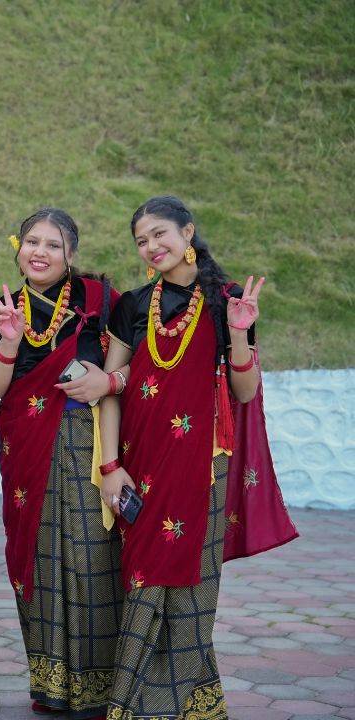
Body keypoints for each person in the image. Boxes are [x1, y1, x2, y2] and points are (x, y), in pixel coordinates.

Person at [99, 196, 297, 719]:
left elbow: (245, 392)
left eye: (159, 233)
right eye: (141, 240)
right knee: (142, 578)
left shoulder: (227, 301)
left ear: (187, 233)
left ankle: (166, 706)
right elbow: (110, 390)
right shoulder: (133, 304)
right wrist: (110, 466)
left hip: (202, 466)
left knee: (192, 587)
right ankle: (145, 702)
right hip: (141, 460)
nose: (151, 246)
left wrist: (239, 331)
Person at [0, 209, 123, 719]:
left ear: (71, 254)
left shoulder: (101, 302)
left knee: (92, 558)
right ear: (18, 248)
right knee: (39, 562)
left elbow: (136, 367)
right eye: (32, 242)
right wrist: (8, 341)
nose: (40, 252)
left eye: (53, 245)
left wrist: (107, 381)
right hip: (27, 450)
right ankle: (52, 685)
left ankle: (100, 688)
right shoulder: (2, 307)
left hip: (90, 446)